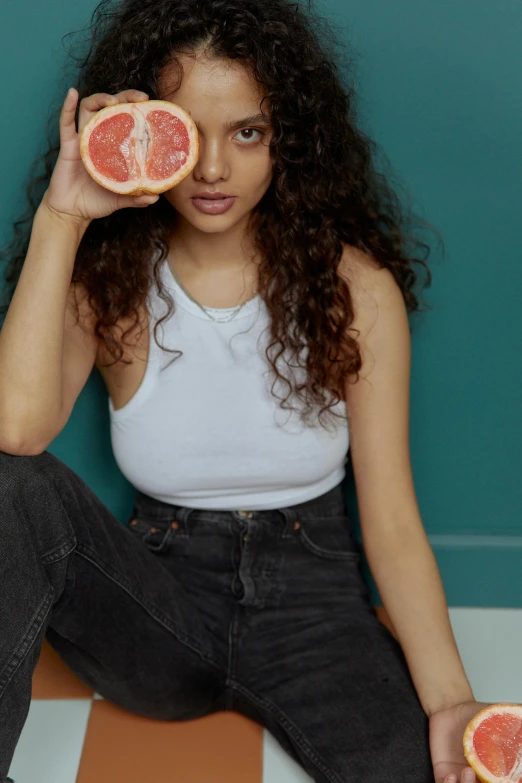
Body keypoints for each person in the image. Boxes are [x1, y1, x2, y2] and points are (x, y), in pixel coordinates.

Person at [0, 0, 489, 781]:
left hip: (316, 603)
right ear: (148, 133)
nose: (215, 170)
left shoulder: (354, 289)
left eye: (248, 132)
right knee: (7, 485)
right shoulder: (110, 284)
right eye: (188, 134)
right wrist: (65, 216)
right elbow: (16, 431)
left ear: (288, 137)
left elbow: (392, 520)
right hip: (160, 601)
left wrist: (453, 702)